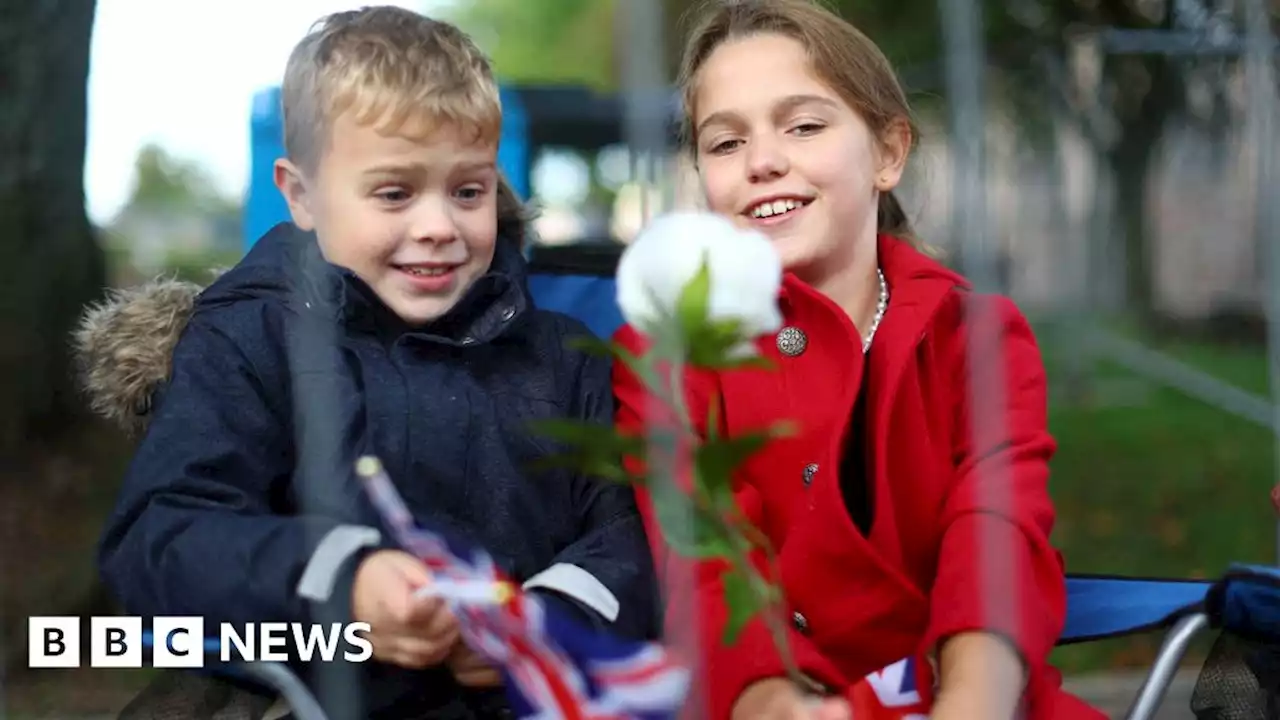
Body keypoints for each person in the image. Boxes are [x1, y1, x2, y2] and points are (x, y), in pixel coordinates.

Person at [87, 6, 657, 718]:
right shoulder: (249, 339)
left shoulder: (566, 358)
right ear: (301, 195)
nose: (438, 226)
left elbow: (631, 538)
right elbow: (163, 534)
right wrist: (342, 582)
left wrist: (547, 620)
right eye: (394, 193)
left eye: (469, 191)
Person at [611, 1, 1107, 719]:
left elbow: (997, 538)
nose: (763, 161)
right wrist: (772, 702)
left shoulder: (977, 337)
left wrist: (971, 703)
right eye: (724, 144)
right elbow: (704, 562)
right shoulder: (665, 355)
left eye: (804, 125)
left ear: (888, 153)